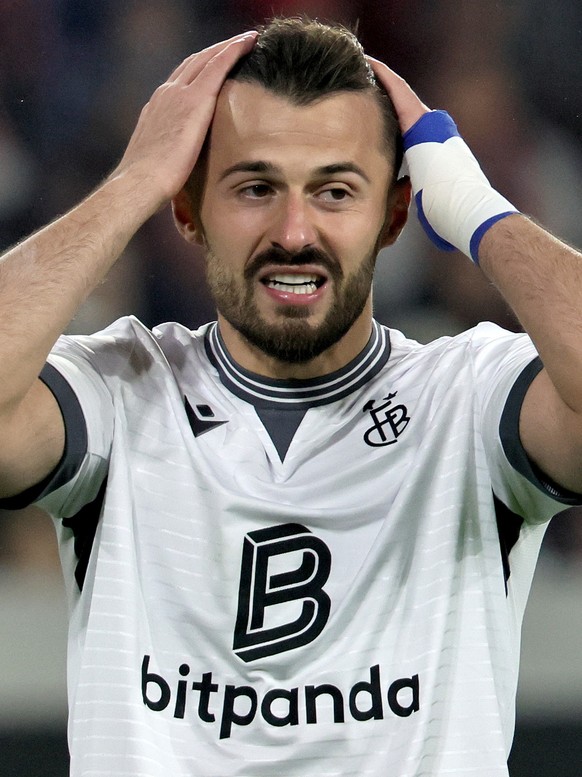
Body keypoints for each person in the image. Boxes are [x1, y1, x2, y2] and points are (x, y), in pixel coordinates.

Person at [0, 16, 581, 777]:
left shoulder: (467, 400)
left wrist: (477, 210)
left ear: (395, 214)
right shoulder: (119, 391)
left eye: (336, 191)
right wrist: (132, 183)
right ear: (188, 210)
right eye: (255, 188)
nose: (295, 231)